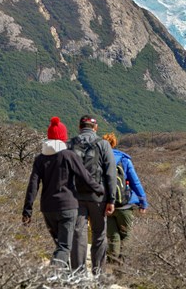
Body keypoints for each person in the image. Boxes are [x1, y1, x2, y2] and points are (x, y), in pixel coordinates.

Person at [22, 116, 104, 269]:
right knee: (65, 247)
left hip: (47, 208)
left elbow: (33, 184)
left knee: (60, 247)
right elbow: (84, 176)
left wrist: (27, 210)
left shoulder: (40, 159)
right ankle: (53, 275)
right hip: (68, 206)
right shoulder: (68, 155)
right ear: (63, 137)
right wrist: (99, 189)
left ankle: (63, 280)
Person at [69, 115, 116, 275]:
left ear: (79, 126)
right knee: (99, 234)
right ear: (95, 128)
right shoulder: (103, 144)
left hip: (75, 197)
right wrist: (112, 199)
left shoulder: (70, 144)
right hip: (98, 197)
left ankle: (78, 274)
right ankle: (99, 274)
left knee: (78, 234)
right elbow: (110, 173)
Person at [102, 132, 148, 265]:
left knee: (113, 236)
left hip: (107, 205)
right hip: (125, 205)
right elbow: (135, 182)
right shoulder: (124, 160)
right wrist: (143, 202)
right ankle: (123, 266)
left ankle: (112, 264)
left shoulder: (99, 160)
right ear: (114, 144)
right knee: (126, 235)